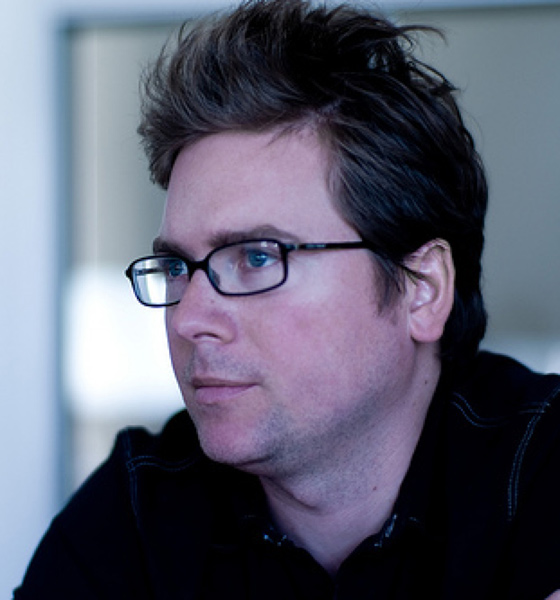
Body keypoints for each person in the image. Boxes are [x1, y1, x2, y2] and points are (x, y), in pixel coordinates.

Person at [14, 1, 560, 598]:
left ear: (422, 289)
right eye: (177, 268)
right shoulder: (139, 514)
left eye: (256, 258)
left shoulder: (542, 469)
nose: (190, 318)